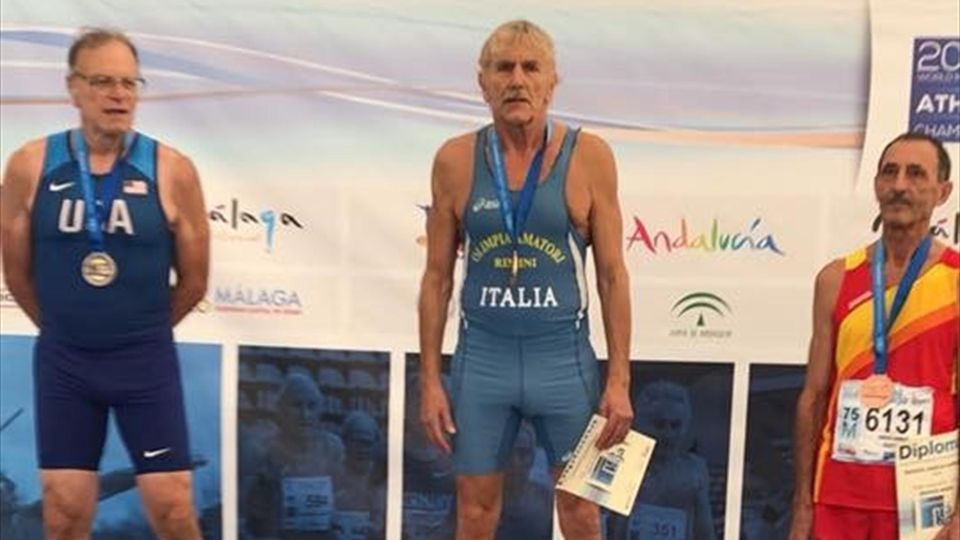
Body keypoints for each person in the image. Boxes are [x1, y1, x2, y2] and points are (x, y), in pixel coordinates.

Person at [417, 19, 633, 540]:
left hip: (563, 362)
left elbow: (611, 274)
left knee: (581, 513)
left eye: (530, 67)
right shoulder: (454, 160)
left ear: (551, 82)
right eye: (503, 68)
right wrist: (428, 379)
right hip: (482, 361)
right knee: (473, 513)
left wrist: (620, 380)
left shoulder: (592, 156)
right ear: (482, 82)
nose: (517, 80)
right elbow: (437, 276)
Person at [0, 27, 209, 539]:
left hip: (143, 361)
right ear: (73, 88)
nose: (118, 95)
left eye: (129, 83)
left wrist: (138, 330)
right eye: (103, 82)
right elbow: (16, 272)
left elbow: (195, 282)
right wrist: (67, 328)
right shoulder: (31, 165)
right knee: (64, 510)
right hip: (65, 362)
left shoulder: (172, 169)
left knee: (172, 507)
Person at [790, 132, 959, 540]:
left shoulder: (956, 280)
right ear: (876, 185)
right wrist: (801, 505)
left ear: (943, 191)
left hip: (925, 498)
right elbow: (813, 397)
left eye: (916, 174)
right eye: (890, 172)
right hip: (838, 495)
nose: (900, 185)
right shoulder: (835, 279)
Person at [240, 372, 345, 540]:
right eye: (297, 406)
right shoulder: (261, 451)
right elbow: (245, 518)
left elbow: (342, 503)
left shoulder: (332, 448)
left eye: (311, 406)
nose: (305, 415)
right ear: (281, 410)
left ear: (320, 410)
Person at [608, 381, 715, 540]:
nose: (667, 434)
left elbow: (705, 534)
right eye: (659, 424)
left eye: (675, 425)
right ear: (640, 425)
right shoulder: (617, 464)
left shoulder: (694, 470)